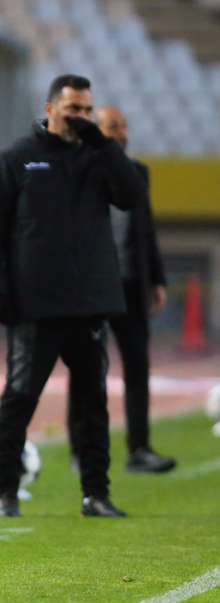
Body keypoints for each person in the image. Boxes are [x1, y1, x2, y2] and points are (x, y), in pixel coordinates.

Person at [0, 74, 147, 518]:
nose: (81, 117)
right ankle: (7, 492)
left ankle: (96, 494)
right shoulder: (17, 158)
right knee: (20, 398)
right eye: (74, 109)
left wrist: (102, 143)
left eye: (88, 110)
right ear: (51, 109)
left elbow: (133, 196)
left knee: (93, 405)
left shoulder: (98, 158)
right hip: (35, 305)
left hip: (89, 303)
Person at [90, 105, 176, 473]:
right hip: (94, 285)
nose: (121, 133)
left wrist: (156, 277)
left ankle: (139, 448)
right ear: (96, 130)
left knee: (138, 365)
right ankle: (82, 448)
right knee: (88, 367)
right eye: (113, 126)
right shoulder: (82, 171)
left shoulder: (139, 172)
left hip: (132, 283)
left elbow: (146, 228)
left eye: (123, 126)